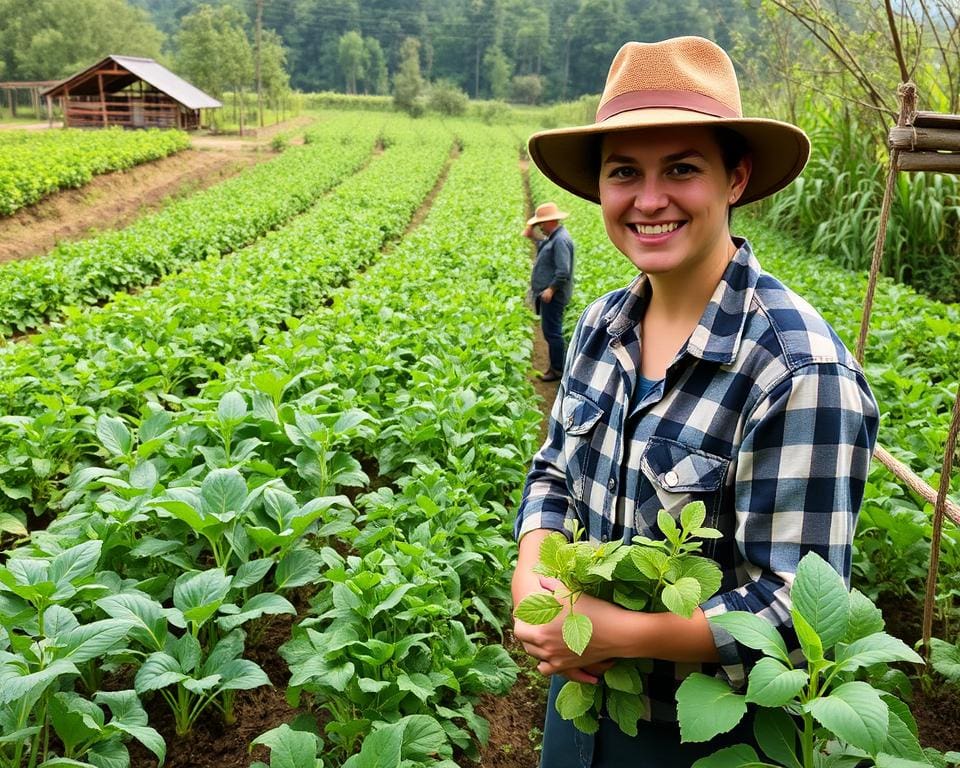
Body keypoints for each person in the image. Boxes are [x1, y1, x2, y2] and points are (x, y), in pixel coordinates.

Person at [511, 37, 879, 767]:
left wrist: (625, 632)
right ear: (601, 190)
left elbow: (794, 608)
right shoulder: (600, 325)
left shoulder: (798, 370)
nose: (649, 200)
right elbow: (555, 470)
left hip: (706, 732)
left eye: (682, 168)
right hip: (578, 702)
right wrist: (533, 571)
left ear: (735, 178)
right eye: (625, 173)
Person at [526, 202, 575, 382]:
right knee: (550, 331)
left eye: (541, 223)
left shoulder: (560, 240)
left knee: (552, 332)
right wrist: (532, 233)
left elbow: (563, 271)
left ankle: (557, 370)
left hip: (554, 296)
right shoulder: (554, 237)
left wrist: (551, 289)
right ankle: (556, 367)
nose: (539, 226)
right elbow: (545, 247)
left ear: (550, 221)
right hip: (550, 295)